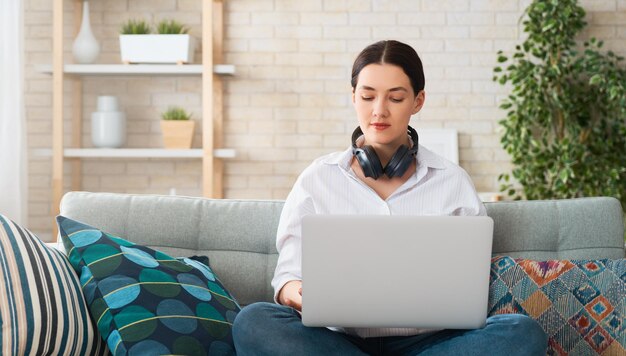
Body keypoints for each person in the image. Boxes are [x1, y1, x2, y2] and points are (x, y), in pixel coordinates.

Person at [232, 40, 547, 355]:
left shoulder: (453, 182)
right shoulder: (317, 179)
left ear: (418, 101)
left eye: (395, 98)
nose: (379, 111)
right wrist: (296, 292)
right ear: (353, 96)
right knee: (254, 321)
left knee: (521, 332)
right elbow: (287, 279)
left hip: (432, 343)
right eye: (367, 96)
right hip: (336, 342)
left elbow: (470, 288)